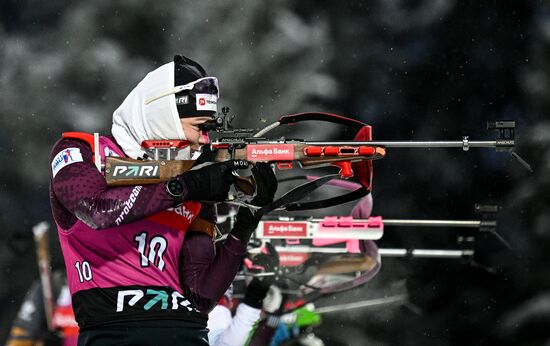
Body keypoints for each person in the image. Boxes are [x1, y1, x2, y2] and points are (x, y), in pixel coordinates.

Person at [49, 55, 277, 345]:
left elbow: (201, 295)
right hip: (113, 335)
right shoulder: (83, 151)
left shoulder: (192, 178)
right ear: (162, 117)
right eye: (200, 126)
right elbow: (97, 210)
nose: (205, 140)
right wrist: (187, 186)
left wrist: (247, 222)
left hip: (189, 336)